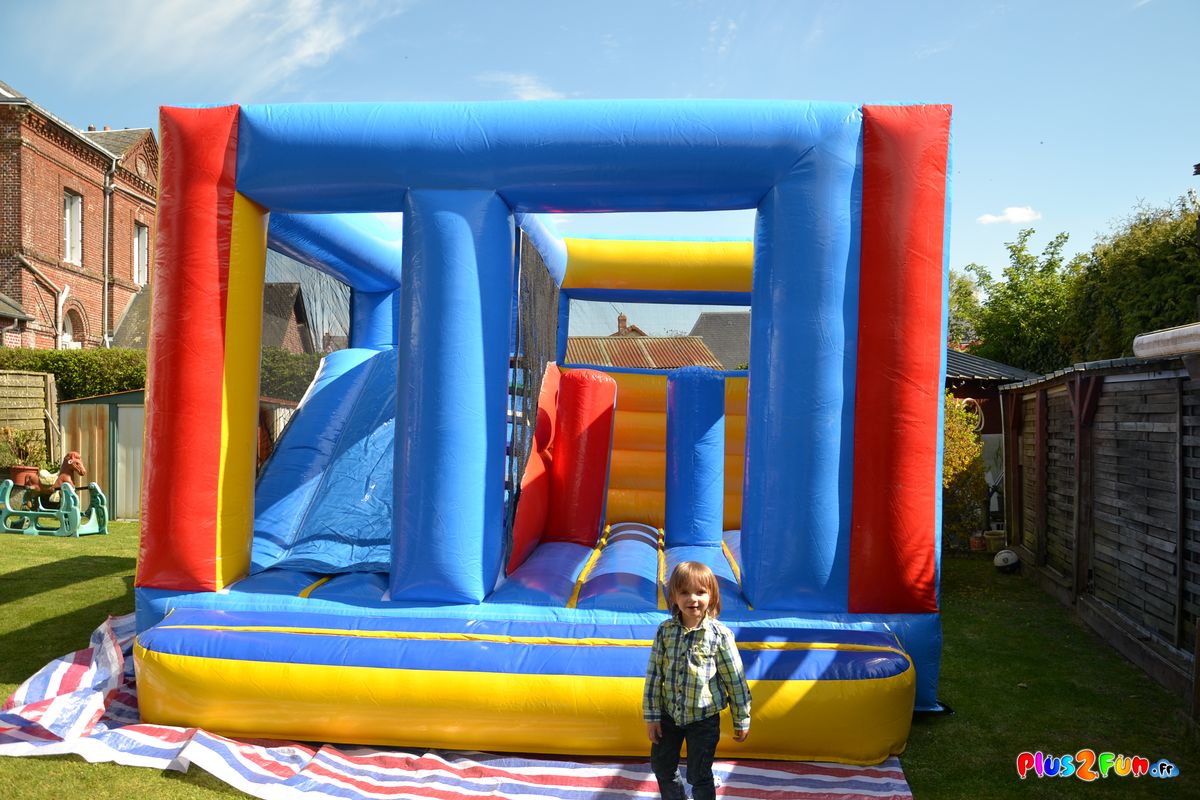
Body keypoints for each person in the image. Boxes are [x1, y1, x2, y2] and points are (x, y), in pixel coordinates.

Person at [643, 561, 751, 800]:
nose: (693, 599)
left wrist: (741, 717)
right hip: (669, 714)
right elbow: (654, 675)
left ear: (712, 596)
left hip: (703, 719)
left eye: (700, 592)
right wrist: (652, 716)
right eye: (684, 592)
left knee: (698, 774)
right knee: (661, 766)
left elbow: (735, 679)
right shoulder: (665, 631)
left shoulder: (720, 635)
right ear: (674, 596)